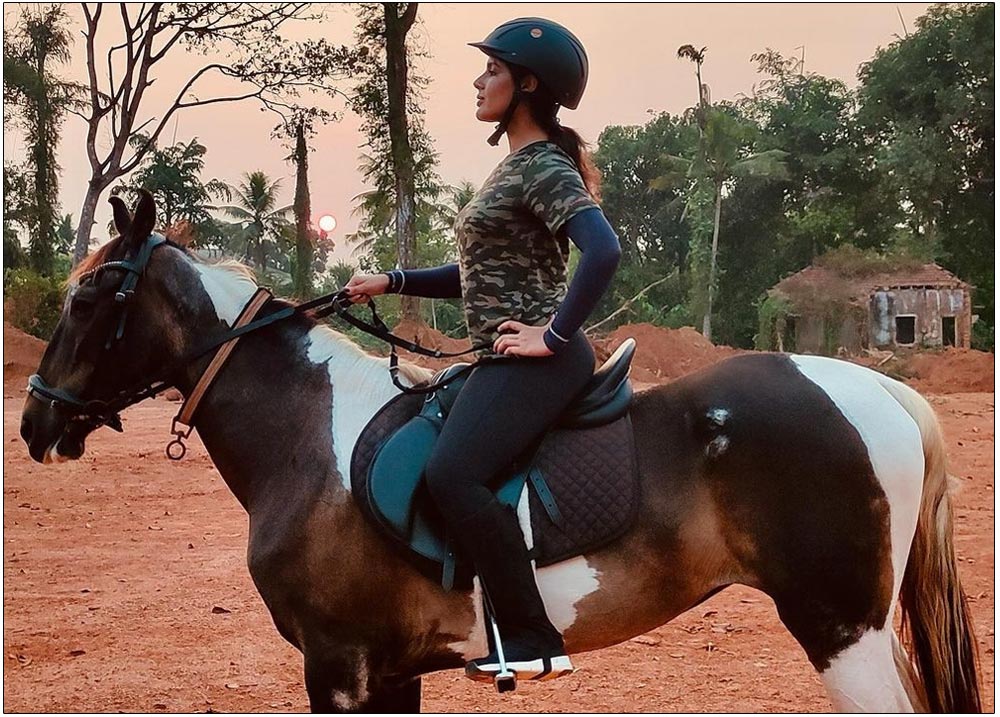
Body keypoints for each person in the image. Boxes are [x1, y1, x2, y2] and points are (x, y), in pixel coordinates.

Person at [344, 17, 621, 683]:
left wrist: (551, 335)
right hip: (504, 357)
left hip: (538, 360)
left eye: (492, 70)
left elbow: (604, 249)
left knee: (453, 473)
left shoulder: (545, 166)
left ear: (527, 83)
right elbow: (478, 273)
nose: (479, 80)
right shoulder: (515, 168)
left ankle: (531, 634)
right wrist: (393, 279)